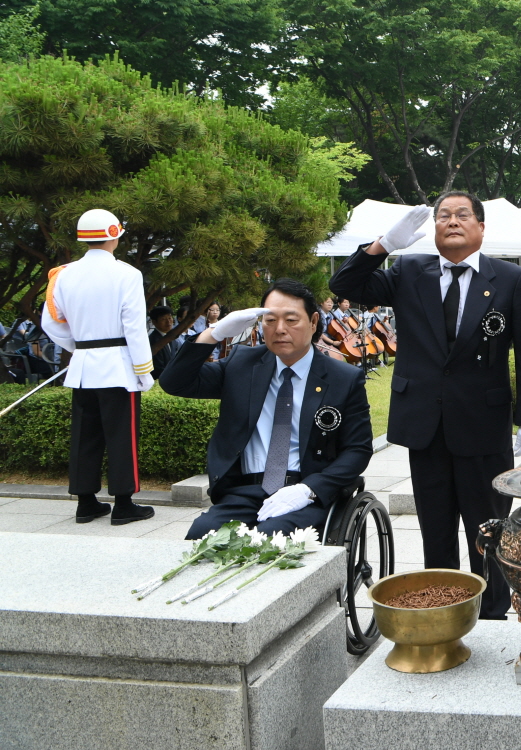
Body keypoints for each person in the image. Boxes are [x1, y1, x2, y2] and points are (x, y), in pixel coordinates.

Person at [330, 193, 521, 620]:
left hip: (482, 424)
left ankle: (492, 612)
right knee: (436, 527)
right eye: (443, 215)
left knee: (488, 527)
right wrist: (383, 246)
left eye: (462, 215)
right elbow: (345, 286)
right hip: (425, 424)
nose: (452, 221)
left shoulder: (510, 278)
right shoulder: (411, 271)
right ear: (433, 228)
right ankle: (446, 610)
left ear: (481, 228)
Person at [161, 279, 374, 538]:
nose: (280, 329)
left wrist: (309, 489)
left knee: (275, 537)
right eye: (270, 320)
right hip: (245, 490)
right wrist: (213, 334)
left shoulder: (343, 378)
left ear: (314, 322)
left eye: (291, 320)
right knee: (203, 534)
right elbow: (174, 382)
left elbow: (358, 449)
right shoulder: (242, 364)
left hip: (304, 492)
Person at [40, 208, 157, 525]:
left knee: (85, 436)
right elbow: (133, 327)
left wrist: (79, 347)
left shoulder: (63, 274)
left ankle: (86, 502)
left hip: (83, 367)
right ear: (114, 234)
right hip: (118, 368)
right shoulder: (127, 274)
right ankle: (123, 504)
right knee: (121, 435)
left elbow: (50, 322)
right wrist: (144, 370)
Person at [148, 306, 182, 381]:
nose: (168, 322)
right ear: (154, 322)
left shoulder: (172, 337)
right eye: (163, 319)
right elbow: (157, 368)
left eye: (169, 318)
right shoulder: (153, 340)